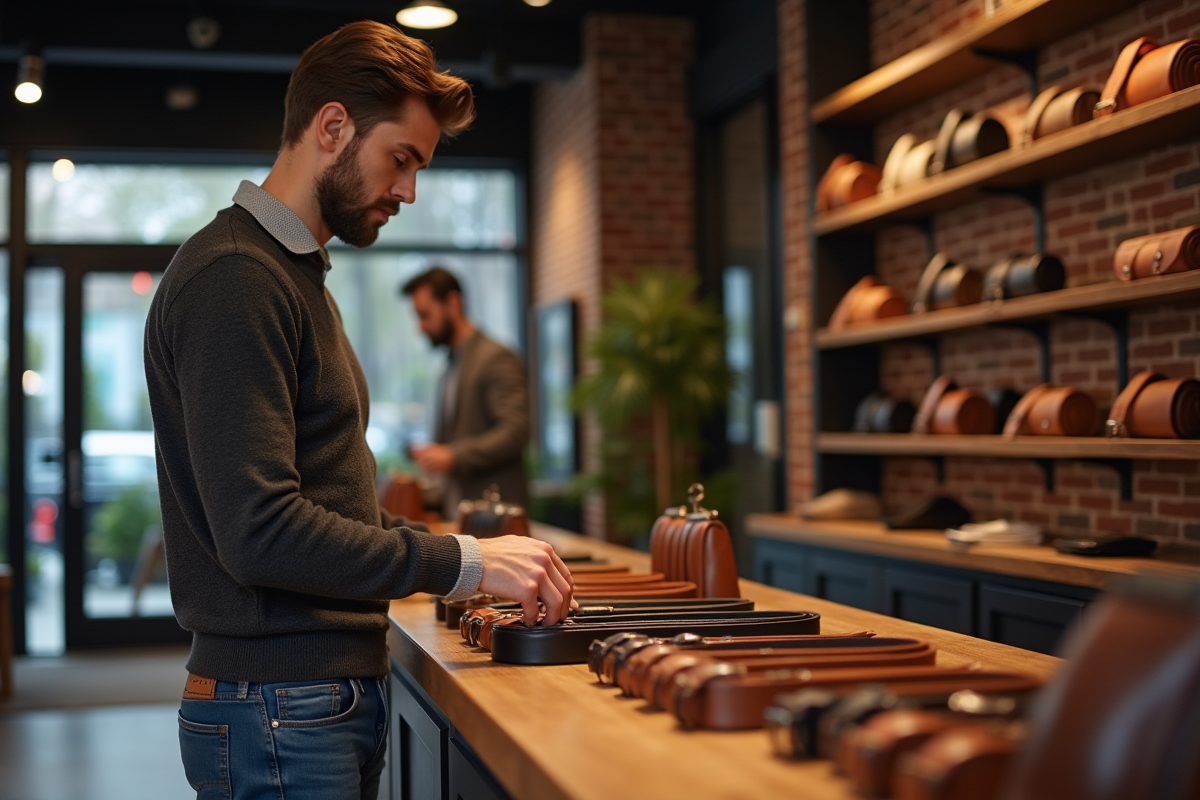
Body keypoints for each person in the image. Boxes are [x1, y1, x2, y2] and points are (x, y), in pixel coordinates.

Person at [144, 21, 573, 800]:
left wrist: (466, 554)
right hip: (281, 708)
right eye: (400, 159)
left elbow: (328, 508)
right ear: (332, 126)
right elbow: (263, 532)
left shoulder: (292, 277)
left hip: (307, 704)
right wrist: (463, 561)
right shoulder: (238, 278)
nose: (409, 190)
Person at [402, 267, 532, 517]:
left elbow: (515, 432)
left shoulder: (496, 358)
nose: (420, 327)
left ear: (453, 303)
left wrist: (453, 455)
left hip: (497, 519)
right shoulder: (448, 367)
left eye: (425, 315)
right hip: (460, 519)